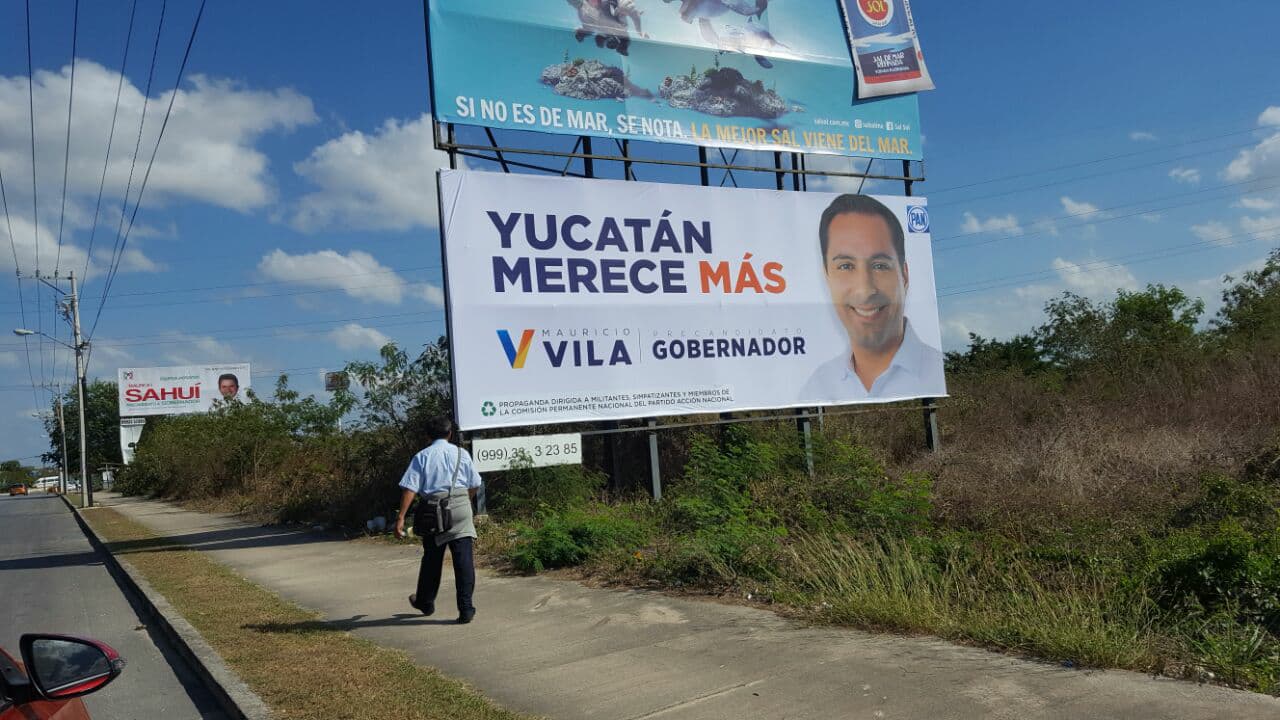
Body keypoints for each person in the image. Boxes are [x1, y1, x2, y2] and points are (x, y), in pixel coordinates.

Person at [799, 194, 945, 401]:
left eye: (880, 265)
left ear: (904, 275)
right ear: (827, 276)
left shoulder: (940, 372)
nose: (865, 290)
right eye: (846, 266)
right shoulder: (817, 387)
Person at [394, 416, 484, 624]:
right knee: (463, 560)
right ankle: (466, 609)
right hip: (461, 507)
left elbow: (410, 488)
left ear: (428, 436)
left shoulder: (422, 456)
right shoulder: (462, 453)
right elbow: (475, 483)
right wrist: (464, 501)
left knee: (432, 559)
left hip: (434, 512)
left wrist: (400, 518)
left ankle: (425, 602)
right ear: (450, 434)